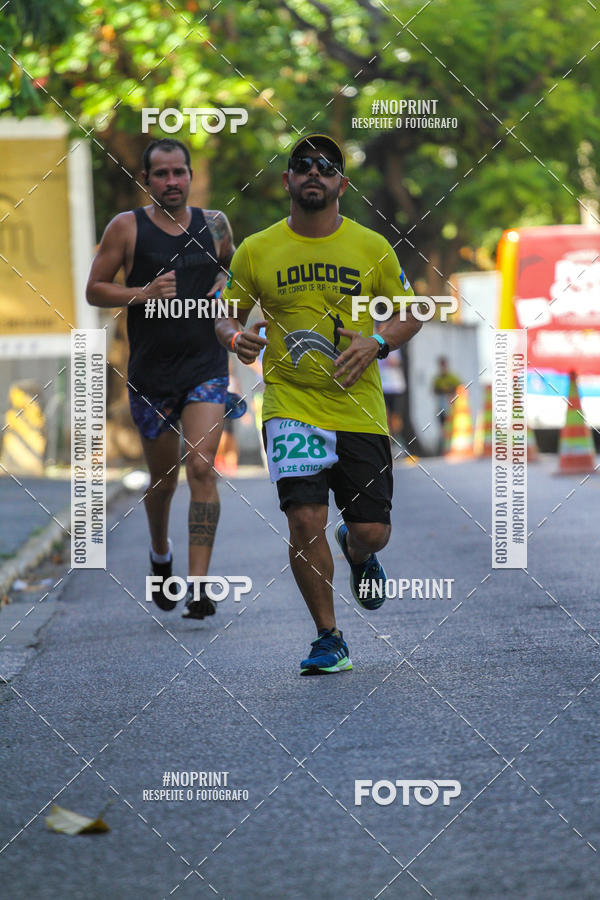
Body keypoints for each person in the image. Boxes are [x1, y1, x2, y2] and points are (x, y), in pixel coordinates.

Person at [215, 133, 423, 674]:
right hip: (290, 403)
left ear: (342, 185)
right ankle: (329, 638)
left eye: (327, 167)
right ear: (287, 180)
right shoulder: (257, 249)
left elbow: (412, 311)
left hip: (358, 408)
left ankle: (357, 550)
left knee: (372, 529)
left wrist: (376, 342)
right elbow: (224, 311)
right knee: (304, 518)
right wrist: (234, 337)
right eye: (303, 165)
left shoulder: (371, 247)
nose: (314, 172)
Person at [86, 138, 238, 620]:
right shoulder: (126, 228)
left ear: (190, 176)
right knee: (164, 478)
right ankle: (159, 555)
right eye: (162, 174)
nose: (172, 182)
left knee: (201, 469)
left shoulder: (214, 224)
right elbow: (95, 290)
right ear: (147, 180)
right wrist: (143, 292)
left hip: (206, 368)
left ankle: (198, 585)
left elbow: (234, 269)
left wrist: (225, 284)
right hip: (151, 375)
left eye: (180, 172)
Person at [432, 356, 461, 453]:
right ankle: (445, 448)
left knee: (452, 426)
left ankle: (453, 446)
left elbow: (460, 388)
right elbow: (434, 391)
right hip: (441, 407)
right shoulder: (438, 379)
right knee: (443, 427)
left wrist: (450, 392)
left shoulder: (452, 378)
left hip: (451, 406)